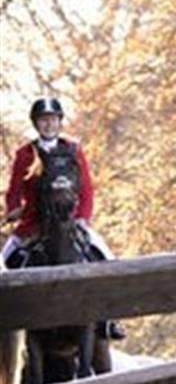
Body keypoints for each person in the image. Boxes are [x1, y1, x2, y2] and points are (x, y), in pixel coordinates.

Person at [3, 96, 125, 339]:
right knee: (3, 262)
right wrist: (14, 207)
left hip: (70, 220)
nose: (48, 125)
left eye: (52, 120)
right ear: (36, 124)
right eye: (43, 120)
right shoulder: (25, 154)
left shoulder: (73, 150)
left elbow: (87, 189)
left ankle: (110, 320)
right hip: (34, 223)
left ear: (59, 122)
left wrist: (81, 218)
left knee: (108, 258)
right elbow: (15, 189)